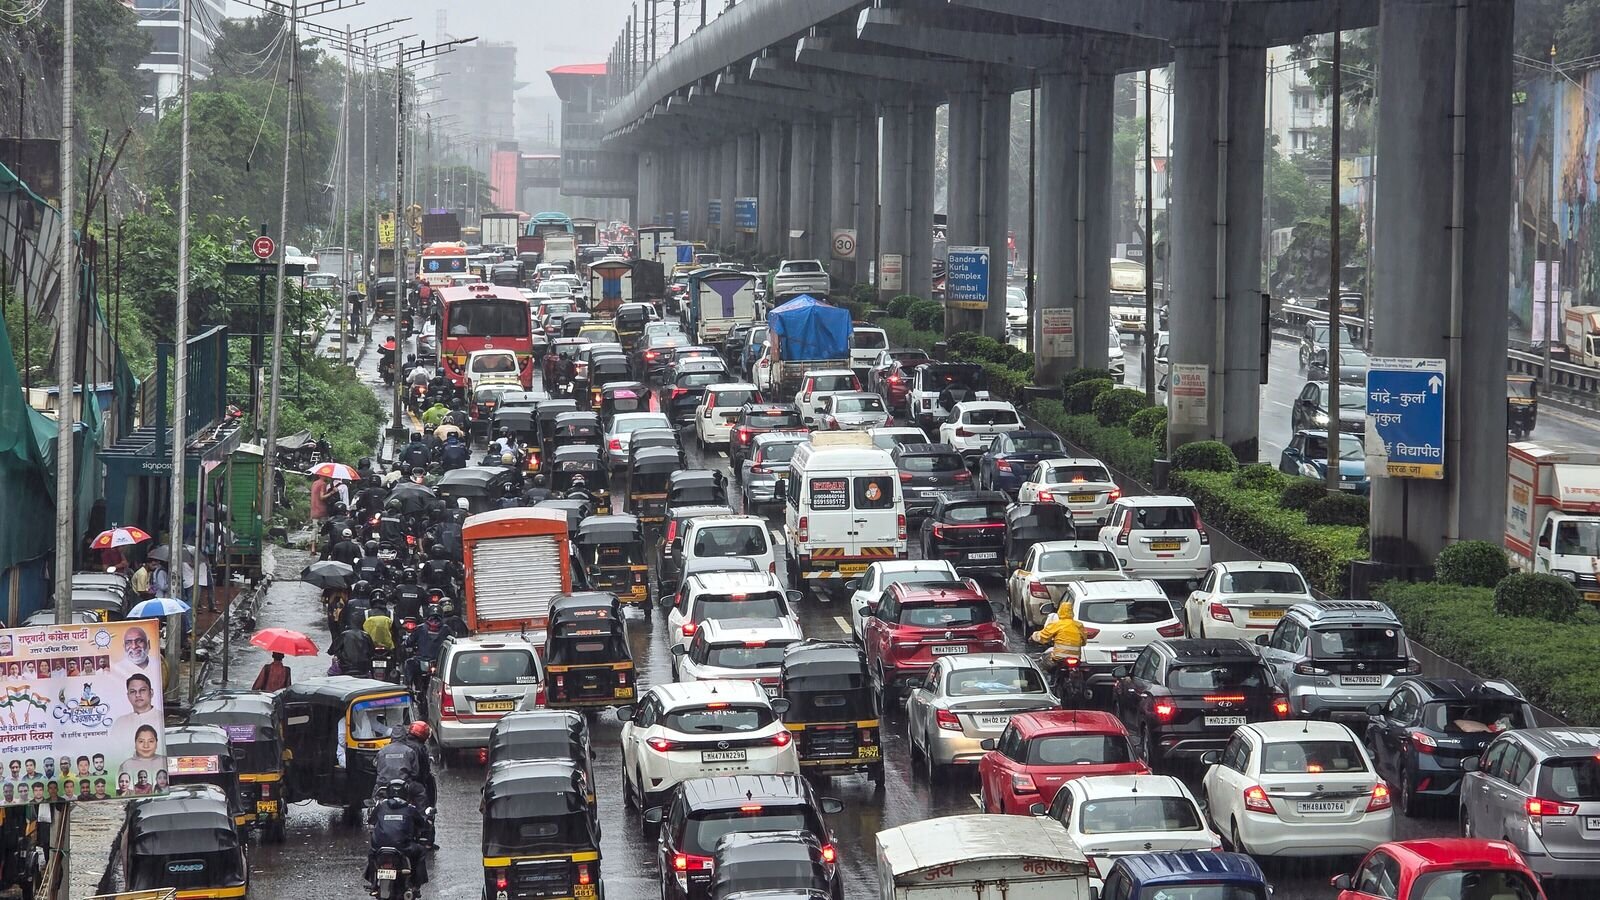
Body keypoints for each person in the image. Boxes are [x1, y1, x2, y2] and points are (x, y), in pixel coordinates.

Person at [364, 779, 431, 895]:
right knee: (421, 852)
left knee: (371, 853)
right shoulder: (410, 809)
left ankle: (373, 883)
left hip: (379, 848)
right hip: (403, 848)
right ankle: (416, 885)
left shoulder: (381, 806)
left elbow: (371, 821)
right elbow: (422, 824)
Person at [1030, 600, 1086, 673]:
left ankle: (1050, 680)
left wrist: (1033, 637)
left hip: (1059, 658)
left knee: (1044, 660)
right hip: (1075, 658)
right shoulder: (1079, 625)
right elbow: (1084, 642)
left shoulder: (1056, 624)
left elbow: (1043, 636)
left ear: (1060, 611)